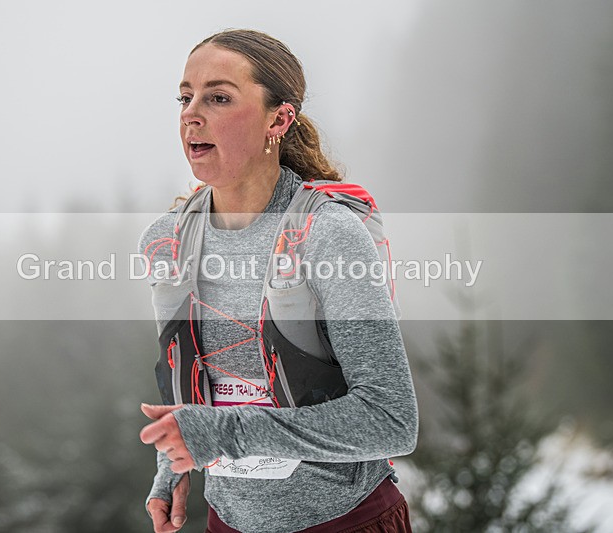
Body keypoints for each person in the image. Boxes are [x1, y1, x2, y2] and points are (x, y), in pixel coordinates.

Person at [138, 29, 418, 533]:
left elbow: (391, 420)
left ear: (279, 119)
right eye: (185, 97)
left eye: (218, 97)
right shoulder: (168, 241)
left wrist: (224, 434)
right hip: (228, 522)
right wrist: (172, 466)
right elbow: (198, 391)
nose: (190, 114)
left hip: (344, 522)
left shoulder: (328, 235)